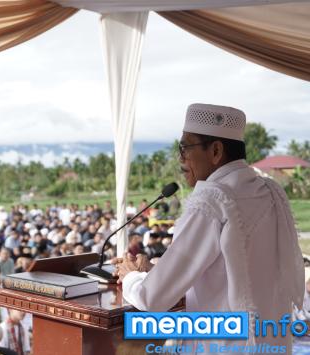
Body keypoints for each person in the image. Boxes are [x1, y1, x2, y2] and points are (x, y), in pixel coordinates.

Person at [114, 103, 305, 352]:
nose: (180, 158)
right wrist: (160, 270)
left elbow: (151, 299)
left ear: (216, 150)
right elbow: (232, 268)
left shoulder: (214, 198)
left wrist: (131, 276)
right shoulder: (269, 190)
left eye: (185, 148)